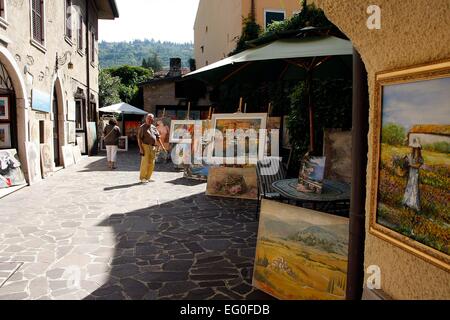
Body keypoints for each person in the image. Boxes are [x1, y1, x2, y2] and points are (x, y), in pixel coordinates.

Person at [138, 114, 167, 183]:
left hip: (153, 147)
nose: (149, 120)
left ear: (153, 120)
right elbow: (139, 139)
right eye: (148, 118)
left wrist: (162, 146)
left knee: (152, 163)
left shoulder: (154, 127)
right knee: (145, 162)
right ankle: (142, 178)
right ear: (146, 119)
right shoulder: (142, 127)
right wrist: (141, 149)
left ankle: (148, 177)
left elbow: (158, 137)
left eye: (151, 119)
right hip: (145, 146)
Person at [402, 138, 424, 212]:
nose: (414, 149)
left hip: (415, 174)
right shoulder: (410, 155)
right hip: (410, 173)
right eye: (413, 148)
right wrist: (404, 160)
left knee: (414, 188)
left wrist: (410, 164)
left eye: (416, 148)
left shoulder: (419, 158)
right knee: (409, 187)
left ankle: (413, 205)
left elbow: (417, 166)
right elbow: (405, 160)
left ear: (418, 149)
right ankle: (407, 203)